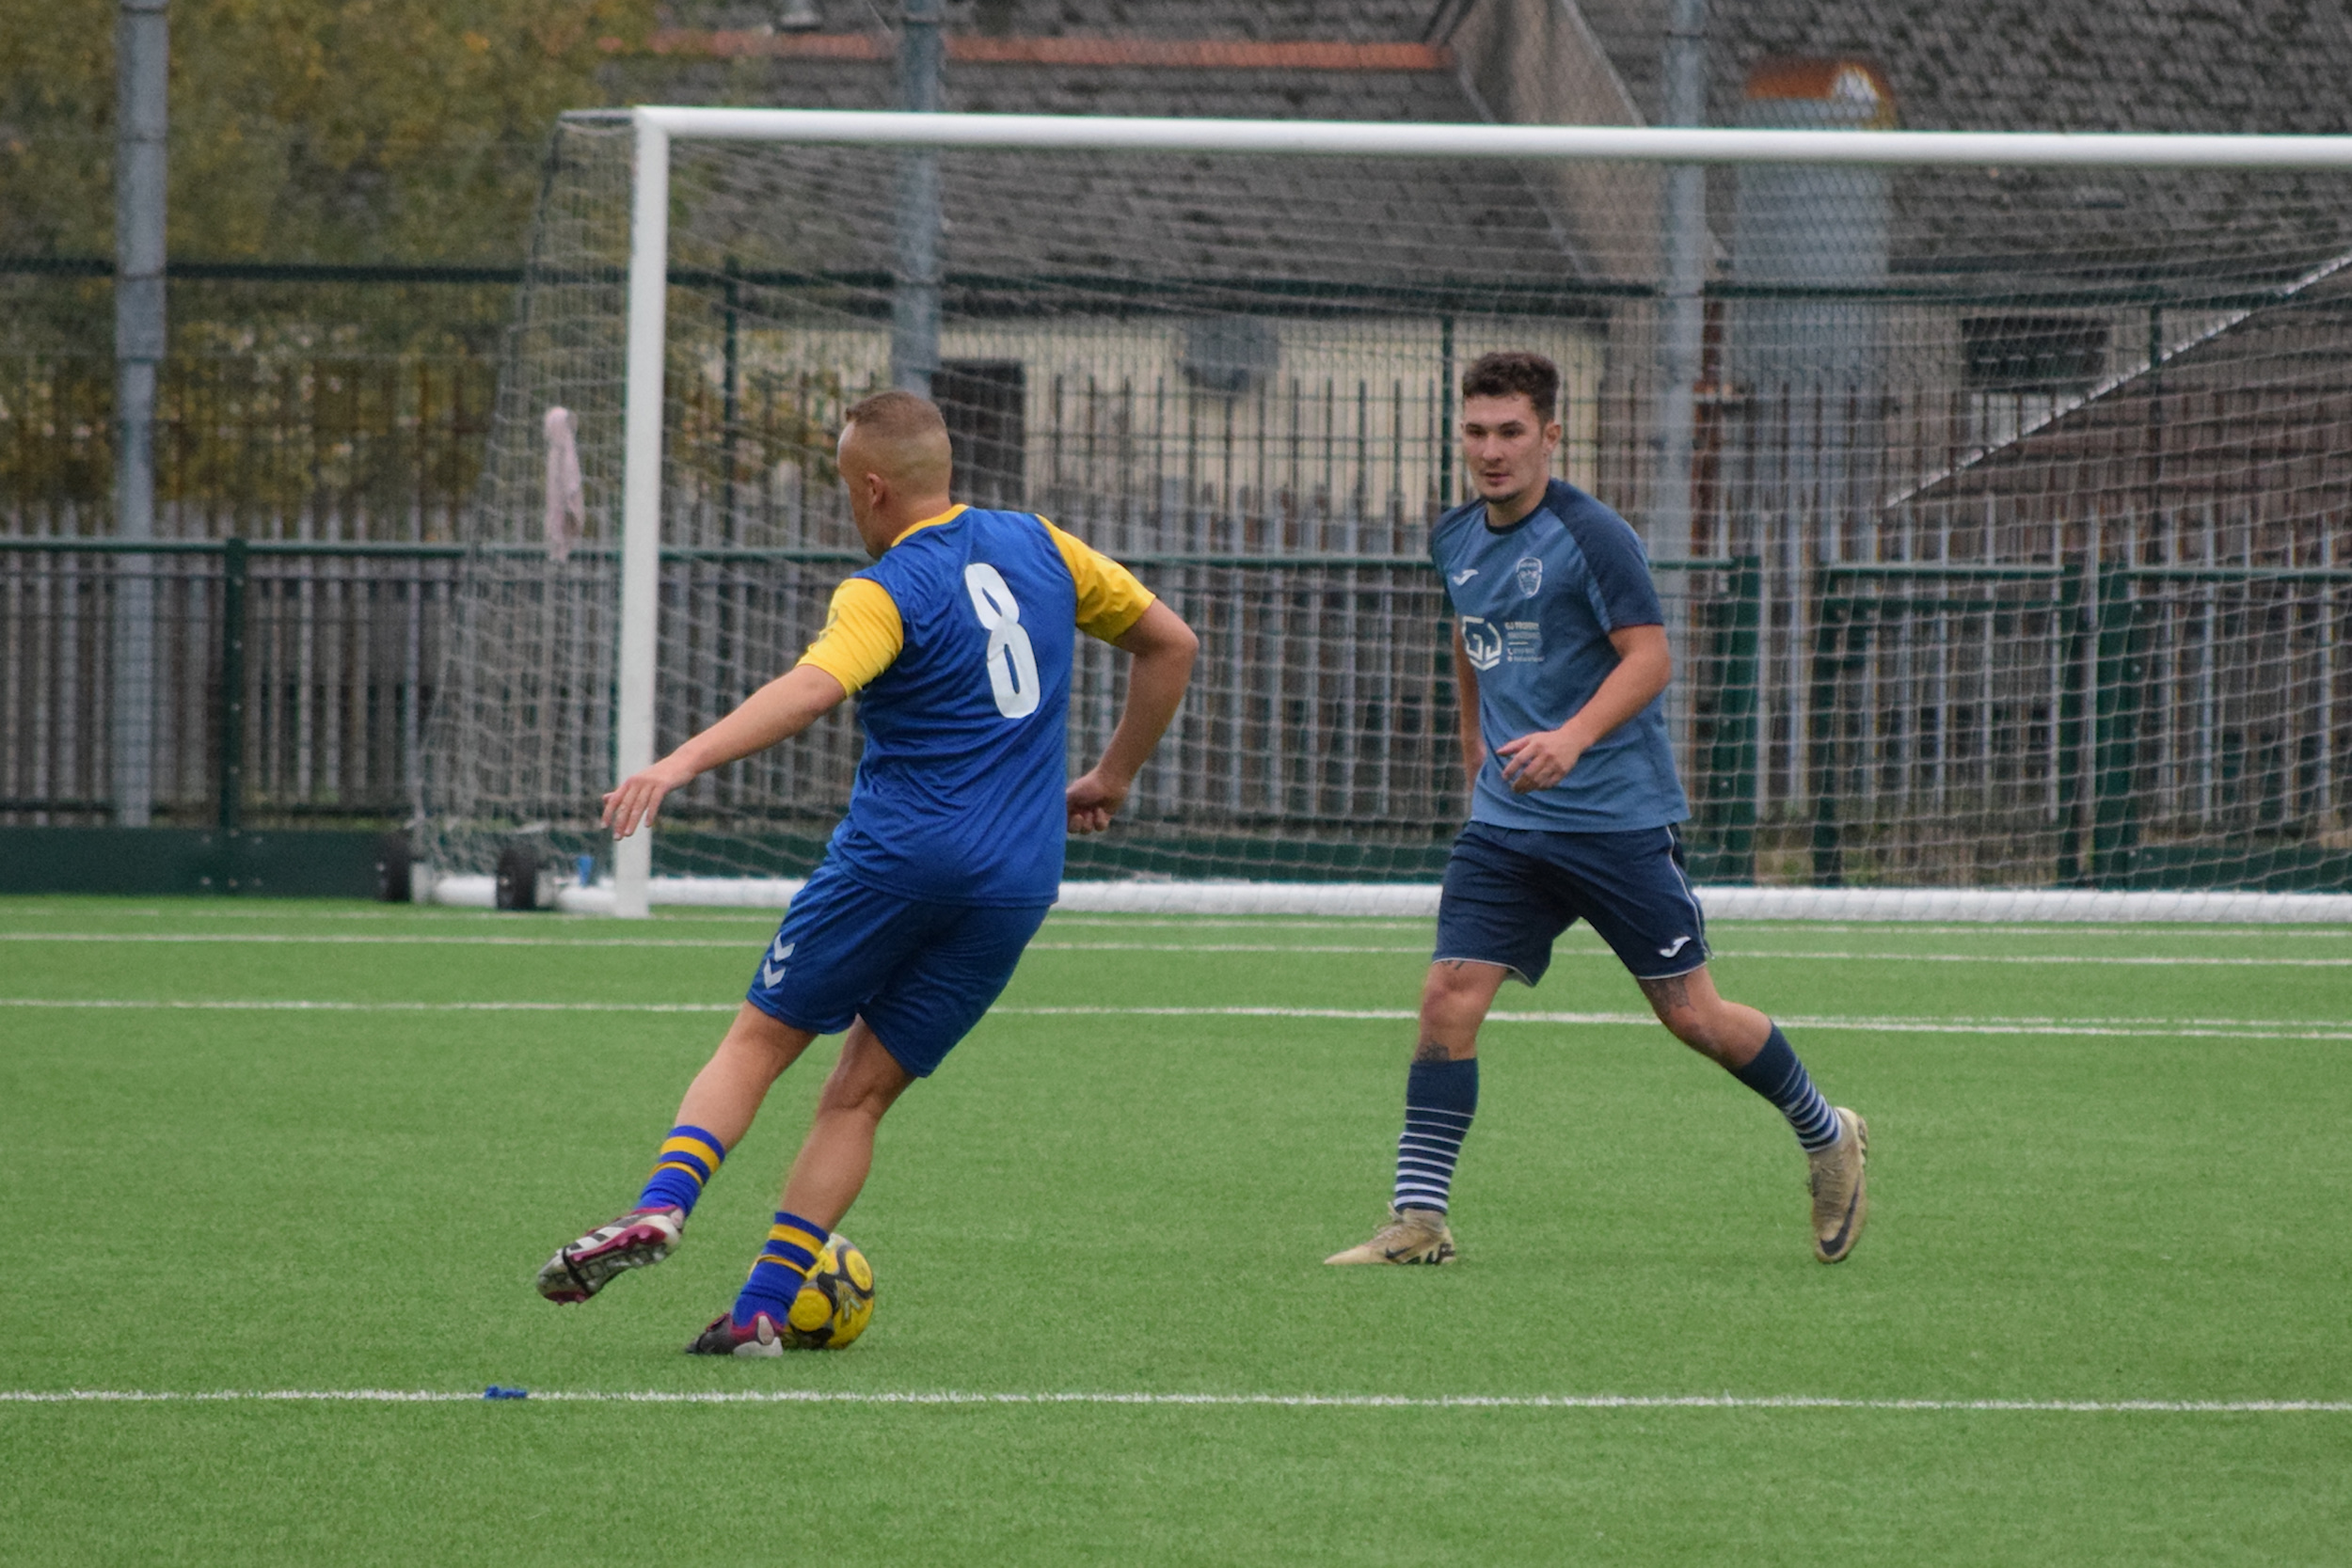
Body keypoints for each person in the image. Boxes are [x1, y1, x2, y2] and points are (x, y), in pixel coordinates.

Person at [537, 389, 1199, 1353]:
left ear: (876, 487)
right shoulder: (1045, 545)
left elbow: (809, 690)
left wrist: (677, 761)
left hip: (898, 859)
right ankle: (762, 1312)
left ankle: (662, 1204)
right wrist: (1112, 774)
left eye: (848, 486)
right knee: (859, 1095)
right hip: (1016, 880)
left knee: (761, 1041)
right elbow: (1171, 642)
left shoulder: (884, 586)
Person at [1326, 351, 1868, 1269]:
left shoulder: (1591, 534)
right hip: (1506, 823)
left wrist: (1571, 737)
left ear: (1550, 435)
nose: (1491, 450)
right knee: (1445, 997)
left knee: (1692, 1016)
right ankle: (1418, 1219)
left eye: (1510, 431)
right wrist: (1474, 747)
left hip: (1613, 818)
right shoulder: (1455, 536)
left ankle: (1827, 1133)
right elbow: (1472, 639)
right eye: (1476, 432)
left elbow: (1650, 658)